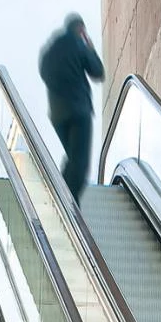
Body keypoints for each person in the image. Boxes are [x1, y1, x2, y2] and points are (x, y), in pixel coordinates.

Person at [38, 11, 105, 199]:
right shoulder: (78, 43)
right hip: (79, 112)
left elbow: (44, 72)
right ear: (80, 29)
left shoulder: (50, 50)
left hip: (58, 115)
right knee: (80, 164)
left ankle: (62, 196)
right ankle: (67, 202)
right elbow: (98, 72)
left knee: (73, 160)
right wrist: (90, 48)